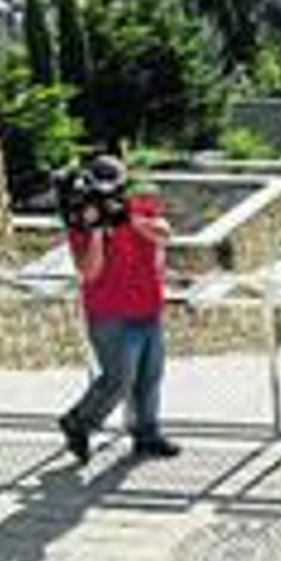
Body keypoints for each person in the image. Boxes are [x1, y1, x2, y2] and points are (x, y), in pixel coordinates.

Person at [57, 156, 181, 464]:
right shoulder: (82, 220)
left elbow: (165, 234)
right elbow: (89, 272)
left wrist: (129, 219)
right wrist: (98, 230)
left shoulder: (139, 206)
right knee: (117, 381)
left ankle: (146, 434)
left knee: (150, 377)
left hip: (148, 308)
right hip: (110, 315)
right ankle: (78, 422)